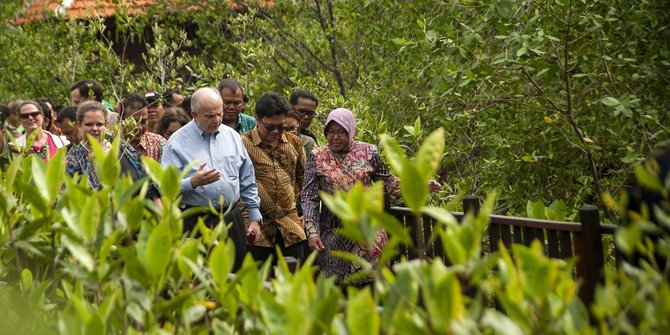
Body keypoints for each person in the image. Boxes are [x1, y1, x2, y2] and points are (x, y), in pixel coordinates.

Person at [302, 108, 441, 286]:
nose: (335, 137)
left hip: (368, 232)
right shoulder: (317, 156)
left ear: (351, 131)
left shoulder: (369, 152)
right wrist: (312, 232)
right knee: (337, 289)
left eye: (341, 132)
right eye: (330, 132)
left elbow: (388, 183)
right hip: (334, 233)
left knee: (373, 284)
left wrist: (420, 184)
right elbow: (309, 197)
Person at [161, 87, 262, 271]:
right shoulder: (177, 142)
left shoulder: (232, 136)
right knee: (199, 278)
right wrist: (192, 182)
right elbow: (163, 186)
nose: (217, 120)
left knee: (234, 274)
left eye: (219, 114)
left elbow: (247, 178)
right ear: (194, 114)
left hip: (231, 218)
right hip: (196, 220)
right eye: (210, 116)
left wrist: (254, 217)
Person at [240, 92, 307, 264]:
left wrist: (296, 205)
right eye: (270, 127)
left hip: (289, 225)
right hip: (255, 227)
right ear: (257, 119)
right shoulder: (241, 143)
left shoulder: (294, 143)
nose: (276, 131)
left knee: (293, 281)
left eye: (282, 127)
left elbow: (302, 177)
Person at [65, 101, 161, 205]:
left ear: (105, 126)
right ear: (79, 126)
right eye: (89, 124)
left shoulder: (121, 147)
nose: (95, 129)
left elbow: (149, 183)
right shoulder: (73, 160)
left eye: (99, 124)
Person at [120, 93, 167, 162]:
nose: (139, 127)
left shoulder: (159, 143)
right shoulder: (110, 144)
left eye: (143, 121)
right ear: (121, 120)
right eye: (134, 122)